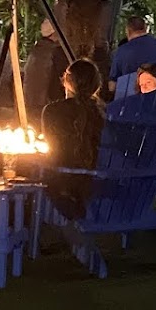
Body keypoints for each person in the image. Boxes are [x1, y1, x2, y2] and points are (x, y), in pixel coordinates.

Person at [41, 59, 107, 219]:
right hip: (99, 180)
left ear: (68, 81)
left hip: (64, 181)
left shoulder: (52, 111)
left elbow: (52, 148)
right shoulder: (102, 113)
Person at [22, 19, 71, 119]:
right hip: (47, 106)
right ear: (54, 33)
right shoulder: (55, 53)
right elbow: (58, 82)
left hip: (31, 104)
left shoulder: (36, 51)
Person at [110, 16, 156, 87]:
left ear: (128, 30)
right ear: (145, 28)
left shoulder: (122, 51)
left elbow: (113, 84)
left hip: (133, 93)